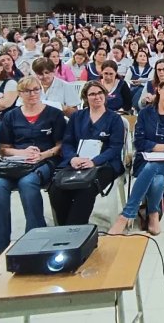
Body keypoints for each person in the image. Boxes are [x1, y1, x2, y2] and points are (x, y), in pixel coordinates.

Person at [0, 76, 65, 266]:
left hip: (44, 160)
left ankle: (36, 237)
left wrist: (43, 155)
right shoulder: (11, 116)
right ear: (20, 94)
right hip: (16, 161)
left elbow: (62, 145)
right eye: (27, 91)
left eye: (36, 90)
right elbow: (4, 147)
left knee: (27, 183)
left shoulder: (54, 114)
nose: (32, 94)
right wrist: (22, 152)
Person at [109, 77, 164, 236]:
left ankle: (126, 215)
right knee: (157, 177)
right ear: (159, 89)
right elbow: (140, 142)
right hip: (146, 159)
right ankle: (153, 215)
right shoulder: (145, 114)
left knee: (153, 167)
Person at [48, 81, 124, 226]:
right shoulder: (77, 117)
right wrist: (72, 158)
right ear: (85, 97)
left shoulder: (114, 119)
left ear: (105, 95)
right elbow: (68, 142)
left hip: (104, 164)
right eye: (92, 94)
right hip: (76, 162)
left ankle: (75, 231)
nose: (97, 97)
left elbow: (115, 148)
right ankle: (65, 228)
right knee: (56, 189)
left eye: (100, 93)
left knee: (86, 188)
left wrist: (94, 161)